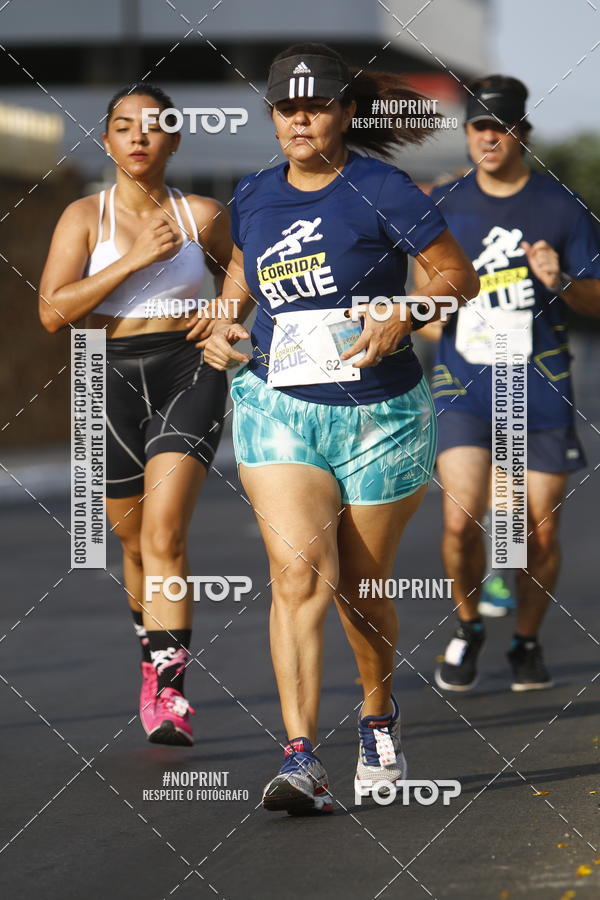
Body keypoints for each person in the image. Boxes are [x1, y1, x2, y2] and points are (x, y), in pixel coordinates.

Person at [201, 43, 479, 814]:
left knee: (360, 590)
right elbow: (240, 280)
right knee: (298, 573)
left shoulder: (382, 187)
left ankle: (378, 713)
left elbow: (457, 276)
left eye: (315, 106)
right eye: (286, 108)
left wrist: (407, 310)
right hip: (276, 406)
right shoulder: (253, 193)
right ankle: (299, 759)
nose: (299, 119)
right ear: (271, 117)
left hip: (380, 414)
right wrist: (225, 326)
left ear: (345, 111)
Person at [39, 83, 232, 744]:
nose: (140, 137)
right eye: (125, 127)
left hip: (188, 368)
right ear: (108, 141)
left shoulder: (202, 213)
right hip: (105, 372)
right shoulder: (82, 218)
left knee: (165, 533)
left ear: (175, 139)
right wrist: (136, 258)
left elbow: (242, 273)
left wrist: (227, 312)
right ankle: (152, 665)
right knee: (130, 540)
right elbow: (53, 312)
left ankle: (172, 694)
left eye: (154, 127)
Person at [413, 75, 600, 692]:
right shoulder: (443, 202)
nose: (489, 137)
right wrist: (432, 318)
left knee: (538, 529)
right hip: (465, 382)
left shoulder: (561, 206)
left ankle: (525, 641)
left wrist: (562, 282)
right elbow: (423, 295)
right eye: (478, 127)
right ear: (467, 133)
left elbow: (596, 302)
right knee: (461, 520)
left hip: (540, 382)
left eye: (502, 126)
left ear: (522, 132)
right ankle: (468, 628)